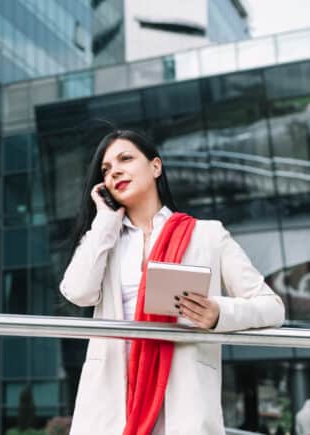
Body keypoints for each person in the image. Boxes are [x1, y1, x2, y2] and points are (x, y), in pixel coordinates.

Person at [58, 129, 285, 435]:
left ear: (155, 166)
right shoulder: (103, 240)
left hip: (182, 400)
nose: (115, 172)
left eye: (125, 158)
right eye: (106, 169)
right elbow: (78, 293)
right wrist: (104, 222)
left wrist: (217, 313)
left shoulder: (207, 235)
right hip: (113, 403)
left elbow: (272, 307)